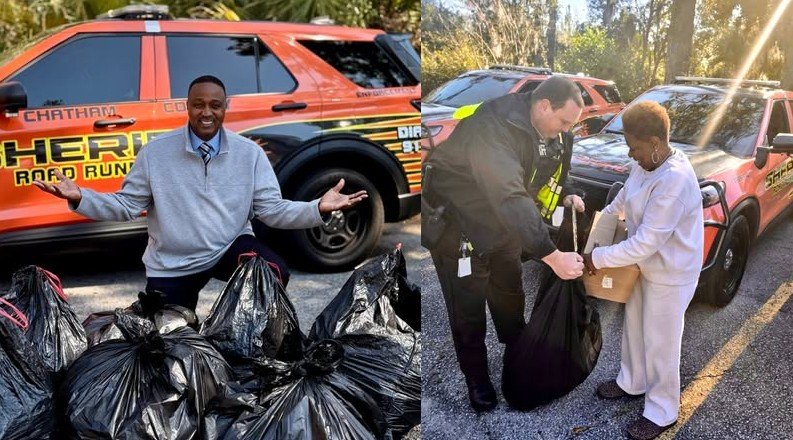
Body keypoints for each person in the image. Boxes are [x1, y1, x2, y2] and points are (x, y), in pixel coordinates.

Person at [33, 75, 367, 310]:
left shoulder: (248, 153)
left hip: (228, 246)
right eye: (198, 104)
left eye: (215, 105)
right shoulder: (155, 153)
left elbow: (271, 211)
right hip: (173, 263)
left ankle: (250, 338)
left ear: (226, 107)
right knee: (171, 343)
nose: (207, 112)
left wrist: (317, 208)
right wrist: (79, 196)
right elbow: (125, 205)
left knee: (270, 270)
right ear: (187, 106)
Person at [423, 76, 587, 412]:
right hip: (460, 229)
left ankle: (518, 352)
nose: (565, 130)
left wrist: (568, 190)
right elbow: (508, 194)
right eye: (563, 121)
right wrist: (551, 255)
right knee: (467, 310)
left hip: (504, 228)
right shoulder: (491, 126)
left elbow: (553, 168)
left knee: (510, 295)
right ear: (543, 106)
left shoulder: (550, 132)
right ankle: (477, 377)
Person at [582, 101, 703, 440]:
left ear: (653, 142)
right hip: (643, 267)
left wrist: (598, 257)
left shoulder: (674, 180)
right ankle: (631, 381)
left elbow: (646, 242)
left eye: (633, 148)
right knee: (634, 326)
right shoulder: (647, 164)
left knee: (661, 341)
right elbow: (622, 199)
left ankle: (663, 410)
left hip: (671, 273)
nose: (630, 155)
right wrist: (601, 226)